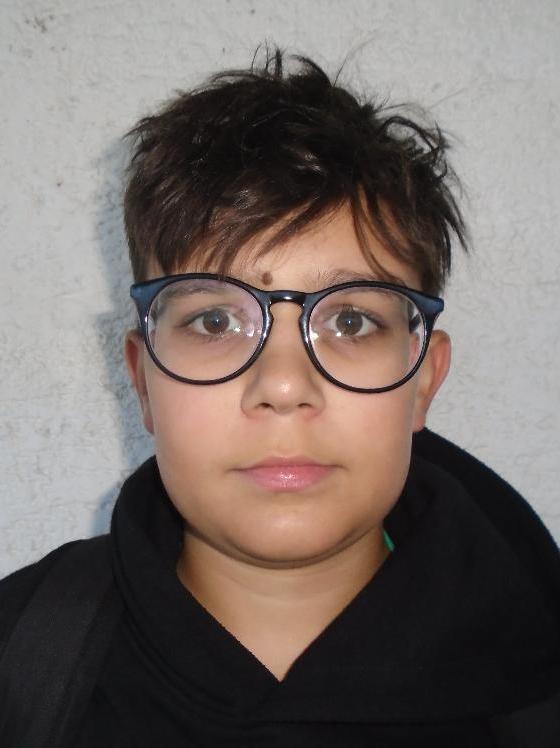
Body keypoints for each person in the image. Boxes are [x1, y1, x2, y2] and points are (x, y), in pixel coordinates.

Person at [1, 47, 559, 747]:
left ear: (424, 378)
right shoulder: (20, 656)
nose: (285, 386)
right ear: (143, 380)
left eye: (351, 321)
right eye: (215, 321)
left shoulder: (539, 677)